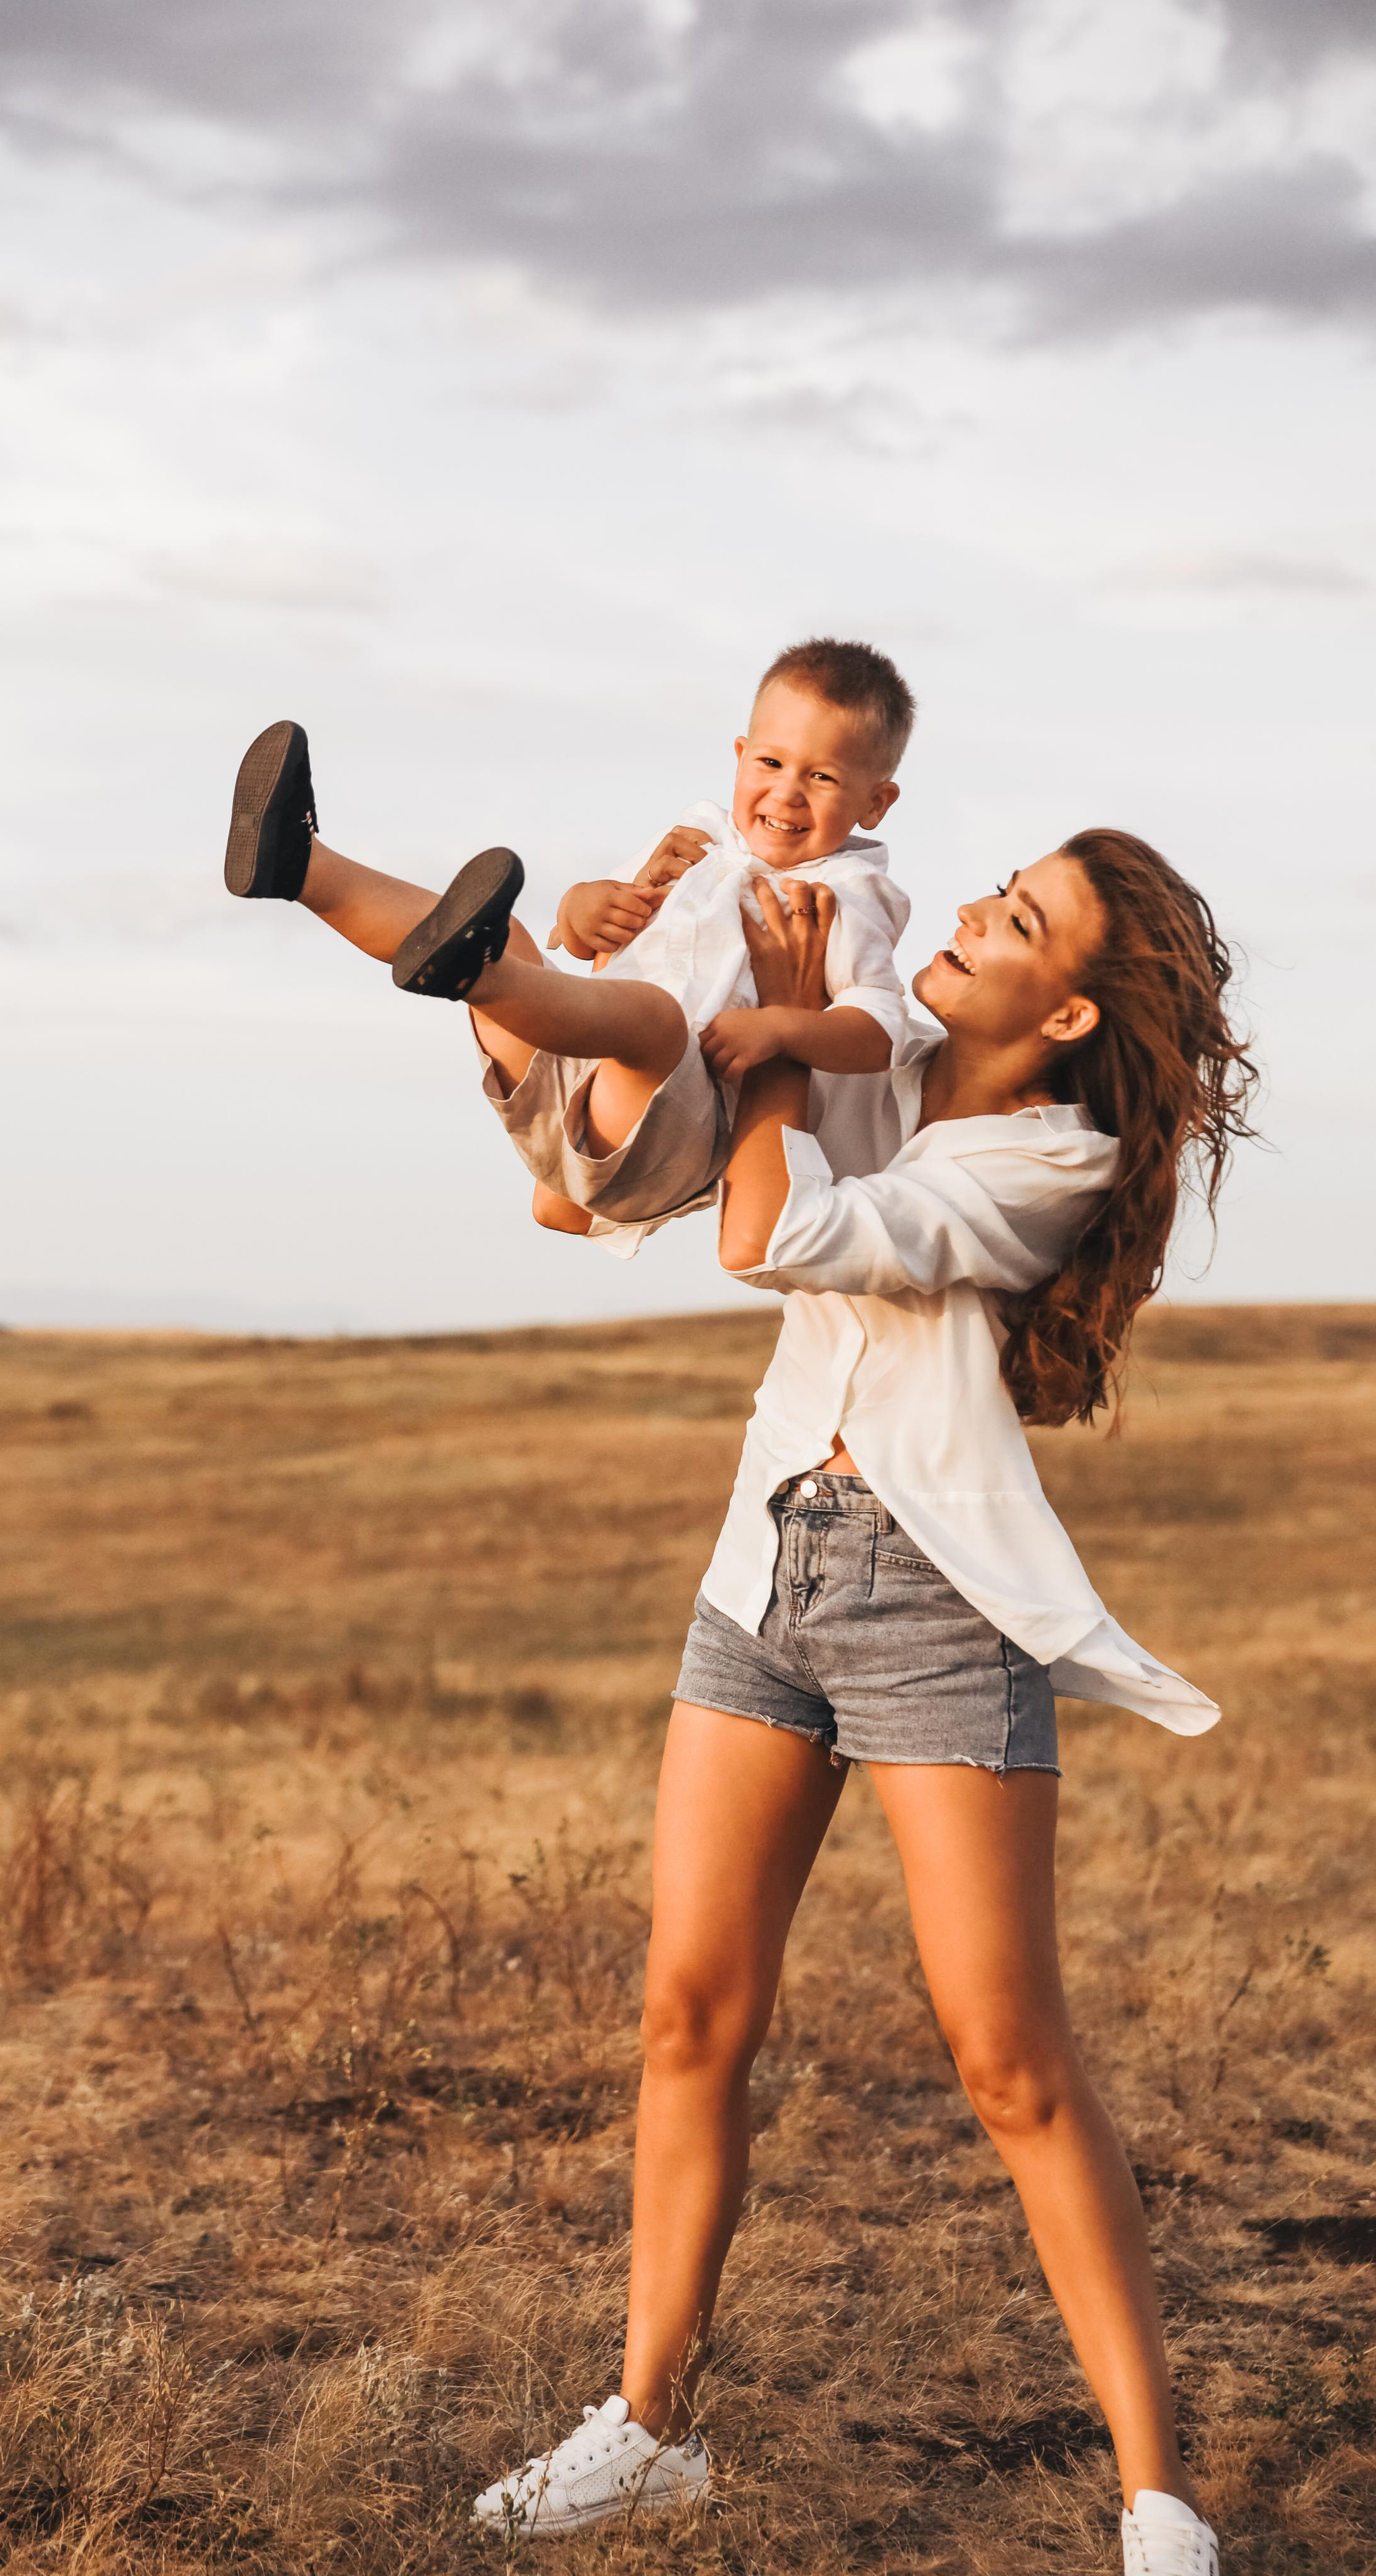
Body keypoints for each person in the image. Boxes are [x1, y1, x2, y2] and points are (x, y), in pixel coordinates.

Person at [471, 830, 1253, 2575]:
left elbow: (766, 1234)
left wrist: (787, 1021)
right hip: (765, 1575)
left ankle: (1160, 2502)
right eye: (999, 886)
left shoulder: (1051, 1154)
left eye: (1021, 920)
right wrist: (652, 1004)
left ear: (1063, 1009)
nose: (976, 911)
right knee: (689, 2016)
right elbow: (635, 1166)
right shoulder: (876, 1049)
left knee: (1009, 2064)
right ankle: (650, 2429)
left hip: (929, 1607)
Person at [222, 639, 912, 1256]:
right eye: (771, 761)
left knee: (650, 1020)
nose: (787, 793)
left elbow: (880, 1027)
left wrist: (782, 1028)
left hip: (670, 1134)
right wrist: (584, 905)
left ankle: (476, 976)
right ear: (739, 755)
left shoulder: (847, 894)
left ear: (875, 803)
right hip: (570, 1089)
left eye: (821, 778)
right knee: (520, 941)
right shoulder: (696, 835)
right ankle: (302, 867)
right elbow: (583, 942)